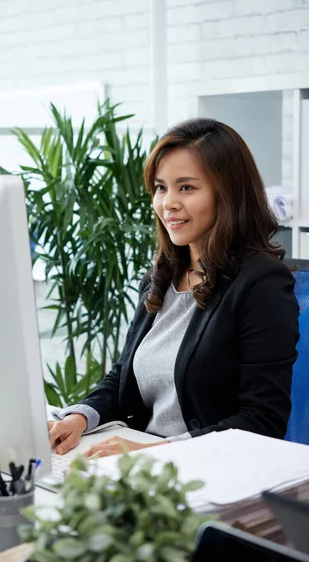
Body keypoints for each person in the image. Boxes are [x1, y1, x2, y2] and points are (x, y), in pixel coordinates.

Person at [48, 118, 300, 459]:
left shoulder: (260, 284)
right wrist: (80, 417)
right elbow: (124, 374)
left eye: (187, 187)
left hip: (206, 471)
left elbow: (261, 420)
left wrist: (157, 450)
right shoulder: (162, 276)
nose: (168, 203)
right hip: (142, 460)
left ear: (228, 193)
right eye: (160, 187)